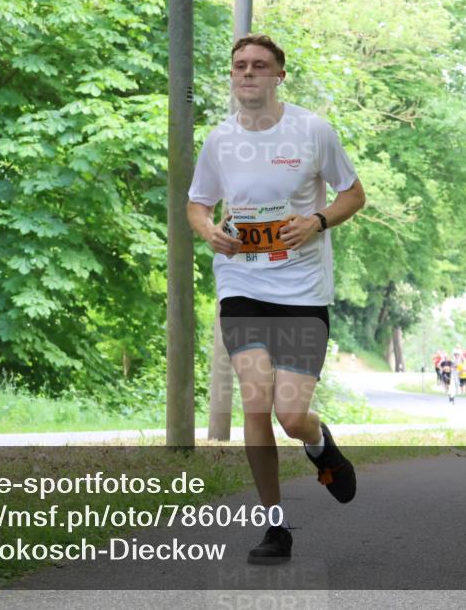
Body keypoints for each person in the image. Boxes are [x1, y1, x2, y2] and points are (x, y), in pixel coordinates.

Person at [187, 34, 366, 564]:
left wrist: (316, 220)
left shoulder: (312, 131)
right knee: (256, 401)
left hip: (303, 289)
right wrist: (208, 233)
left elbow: (353, 193)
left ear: (279, 75)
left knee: (291, 414)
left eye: (259, 65)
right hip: (241, 285)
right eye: (240, 66)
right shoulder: (219, 141)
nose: (248, 74)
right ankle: (275, 526)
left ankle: (319, 445)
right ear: (232, 76)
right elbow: (198, 203)